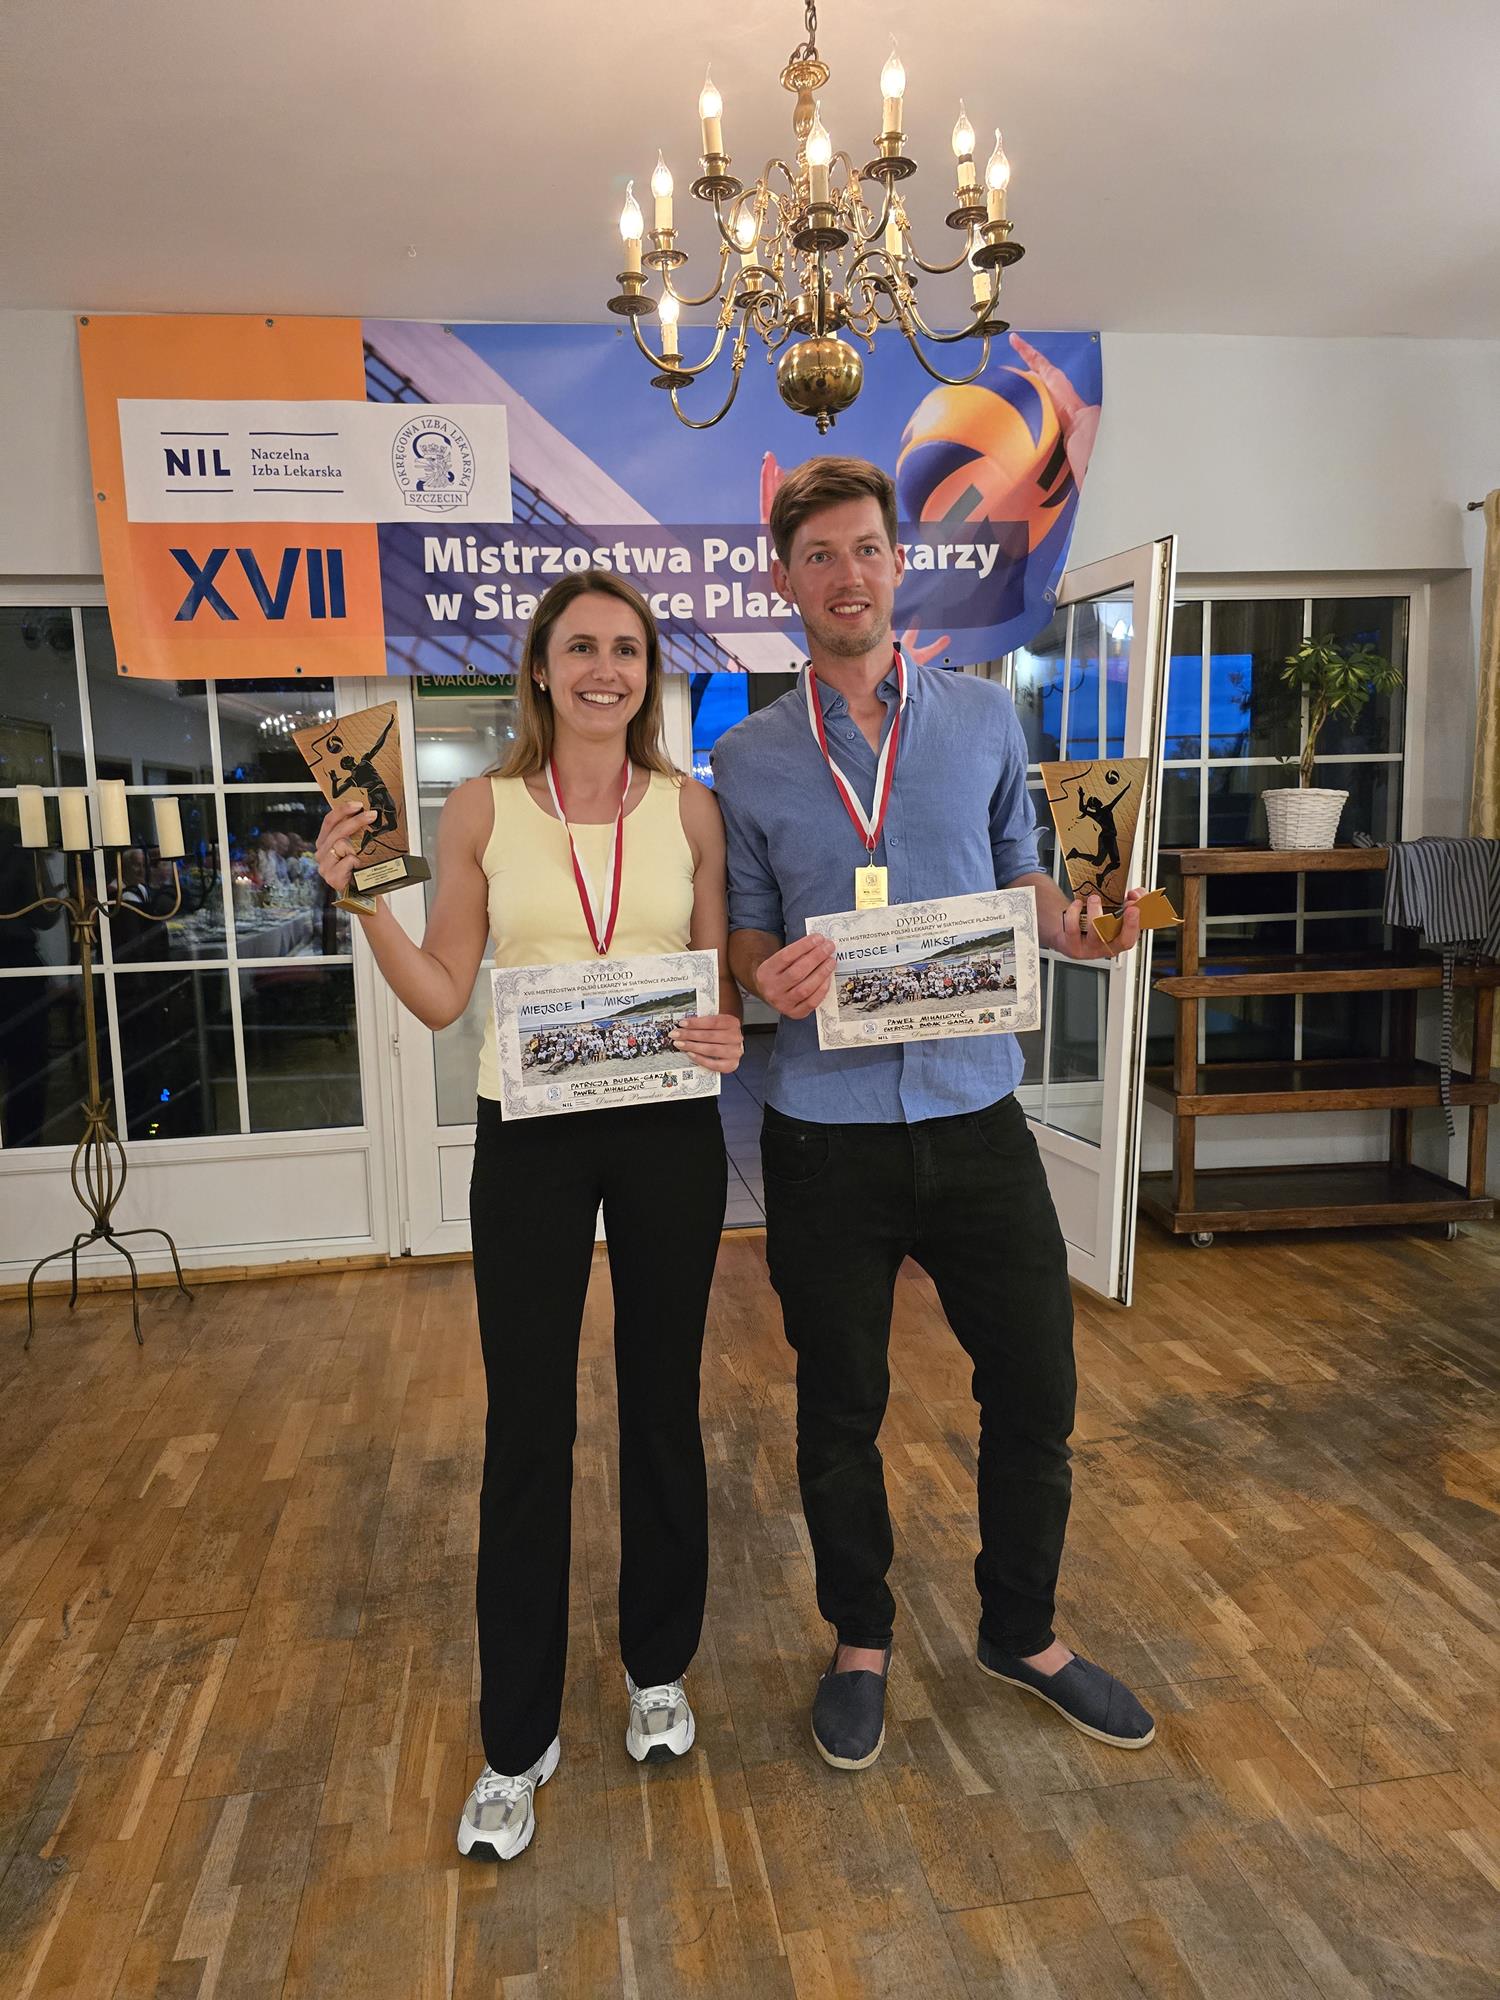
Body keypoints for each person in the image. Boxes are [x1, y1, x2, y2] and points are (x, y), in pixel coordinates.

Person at [712, 456, 1156, 1770]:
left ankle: (1024, 1631)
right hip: (823, 1129)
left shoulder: (983, 719)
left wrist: (1075, 931)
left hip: (975, 1112)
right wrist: (759, 971)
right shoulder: (746, 754)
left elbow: (1020, 875)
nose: (846, 575)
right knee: (838, 1407)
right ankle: (860, 1637)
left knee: (1036, 1387)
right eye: (819, 557)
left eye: (865, 549)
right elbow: (744, 925)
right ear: (785, 581)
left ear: (899, 564)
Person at [315, 573, 743, 1861]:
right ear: (541, 670)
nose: (606, 669)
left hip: (667, 1128)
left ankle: (657, 1667)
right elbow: (446, 993)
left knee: (662, 1403)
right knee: (528, 1426)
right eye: (581, 647)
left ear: (648, 672)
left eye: (628, 649)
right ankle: (517, 1736)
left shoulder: (691, 808)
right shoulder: (482, 808)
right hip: (533, 1134)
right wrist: (364, 906)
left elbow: (713, 987)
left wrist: (729, 1031)